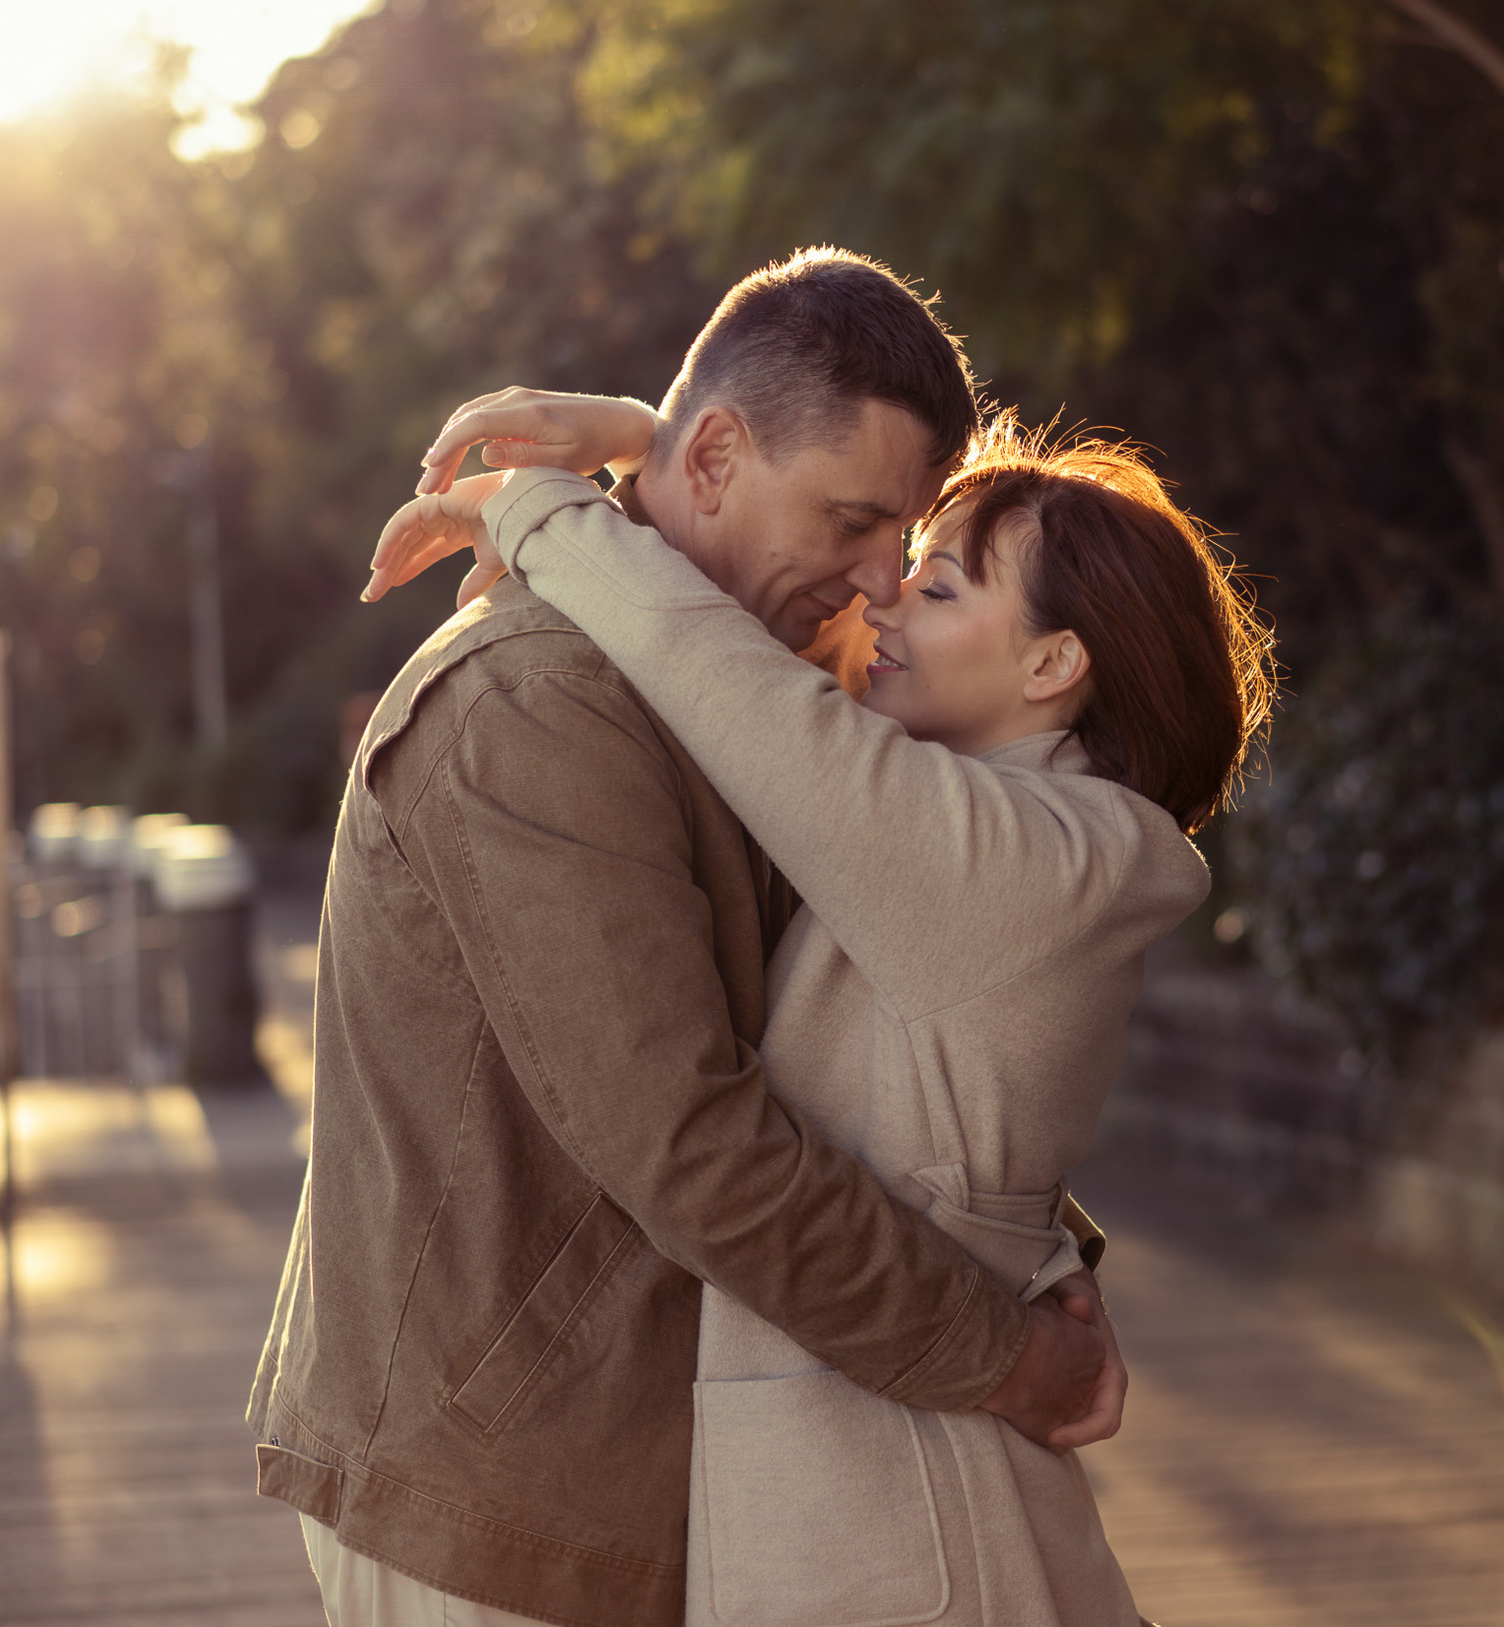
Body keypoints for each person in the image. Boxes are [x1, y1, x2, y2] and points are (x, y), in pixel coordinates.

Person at [248, 249, 1123, 1627]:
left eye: (900, 540)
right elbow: (691, 1142)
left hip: (636, 1471)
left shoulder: (742, 670)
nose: (875, 582)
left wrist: (1030, 1249)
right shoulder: (536, 703)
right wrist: (1002, 1352)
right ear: (716, 457)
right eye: (850, 522)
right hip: (503, 1499)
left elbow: (868, 1012)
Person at [366, 404, 1276, 1626]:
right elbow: (775, 596)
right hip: (880, 1471)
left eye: (940, 588)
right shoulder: (1011, 825)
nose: (886, 602)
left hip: (896, 1506)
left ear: (1053, 664)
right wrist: (666, 442)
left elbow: (724, 674)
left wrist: (540, 506)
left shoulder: (1017, 855)